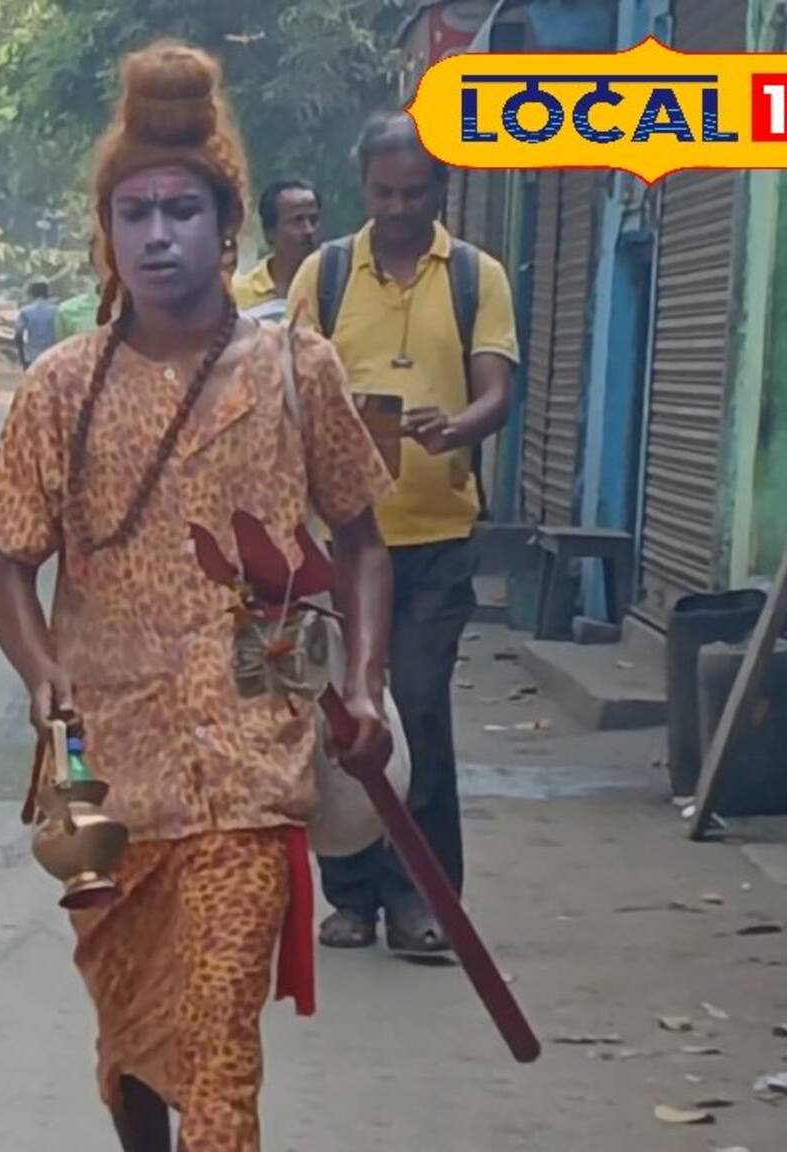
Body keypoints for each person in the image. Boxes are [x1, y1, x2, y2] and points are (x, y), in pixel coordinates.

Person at [0, 41, 394, 1152]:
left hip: (251, 766)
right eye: (133, 213)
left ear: (227, 227)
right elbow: (9, 565)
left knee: (215, 1041)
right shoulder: (61, 387)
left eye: (181, 212)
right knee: (129, 1031)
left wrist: (359, 680)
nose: (157, 235)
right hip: (101, 774)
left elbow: (359, 541)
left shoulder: (296, 374)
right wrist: (41, 675)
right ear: (106, 234)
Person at [289, 110, 518, 956]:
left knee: (414, 711)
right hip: (336, 539)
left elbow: (498, 388)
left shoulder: (474, 276)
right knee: (338, 719)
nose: (396, 208)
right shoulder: (329, 273)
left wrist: (458, 427)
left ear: (440, 191)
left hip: (434, 538)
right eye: (382, 192)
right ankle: (348, 894)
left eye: (413, 192)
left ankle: (422, 899)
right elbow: (292, 380)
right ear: (363, 190)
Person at [234, 178, 320, 322]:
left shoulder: (333, 289)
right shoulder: (238, 295)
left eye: (313, 220)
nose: (308, 230)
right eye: (297, 220)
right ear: (270, 233)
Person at [16, 281, 60, 368]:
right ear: (47, 293)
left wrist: (22, 355)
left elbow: (18, 335)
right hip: (52, 356)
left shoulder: (25, 311)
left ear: (32, 294)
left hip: (32, 356)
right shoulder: (56, 311)